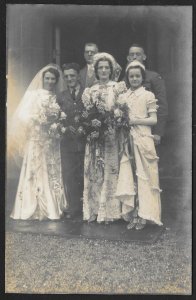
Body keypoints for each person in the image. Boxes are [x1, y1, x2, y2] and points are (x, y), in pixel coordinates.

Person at [9, 64, 68, 220]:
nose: (49, 81)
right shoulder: (33, 95)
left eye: (52, 79)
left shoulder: (57, 97)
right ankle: (32, 205)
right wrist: (36, 119)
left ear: (56, 81)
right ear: (43, 79)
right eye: (47, 78)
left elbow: (62, 116)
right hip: (36, 138)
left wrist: (55, 124)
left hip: (52, 139)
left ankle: (52, 206)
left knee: (51, 169)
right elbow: (22, 116)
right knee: (35, 168)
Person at [116, 60, 163, 230]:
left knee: (144, 175)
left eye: (137, 76)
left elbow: (153, 119)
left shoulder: (148, 95)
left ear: (142, 77)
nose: (134, 79)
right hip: (128, 139)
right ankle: (133, 212)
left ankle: (146, 214)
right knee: (131, 174)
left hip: (143, 138)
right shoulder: (124, 97)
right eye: (131, 76)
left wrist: (134, 121)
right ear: (128, 78)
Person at [82, 52, 127, 223]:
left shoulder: (117, 87)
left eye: (106, 67)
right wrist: (91, 125)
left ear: (111, 69)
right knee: (95, 170)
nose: (103, 70)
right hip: (95, 137)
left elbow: (121, 111)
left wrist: (115, 116)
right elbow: (86, 114)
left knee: (110, 169)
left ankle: (110, 212)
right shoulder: (90, 90)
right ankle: (94, 210)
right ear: (96, 70)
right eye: (100, 68)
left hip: (111, 136)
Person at [57, 63, 85, 218]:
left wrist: (84, 127)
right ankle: (74, 208)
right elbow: (56, 118)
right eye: (66, 76)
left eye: (72, 75)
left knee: (85, 175)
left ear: (78, 76)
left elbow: (93, 114)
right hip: (68, 143)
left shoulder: (87, 93)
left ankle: (86, 208)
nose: (69, 79)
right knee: (70, 175)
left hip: (85, 141)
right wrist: (66, 128)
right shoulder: (61, 96)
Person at [126, 44, 168, 146]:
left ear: (144, 57)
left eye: (138, 54)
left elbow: (161, 105)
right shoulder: (125, 79)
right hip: (128, 131)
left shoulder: (154, 77)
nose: (135, 57)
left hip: (149, 130)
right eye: (132, 55)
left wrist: (158, 132)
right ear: (128, 58)